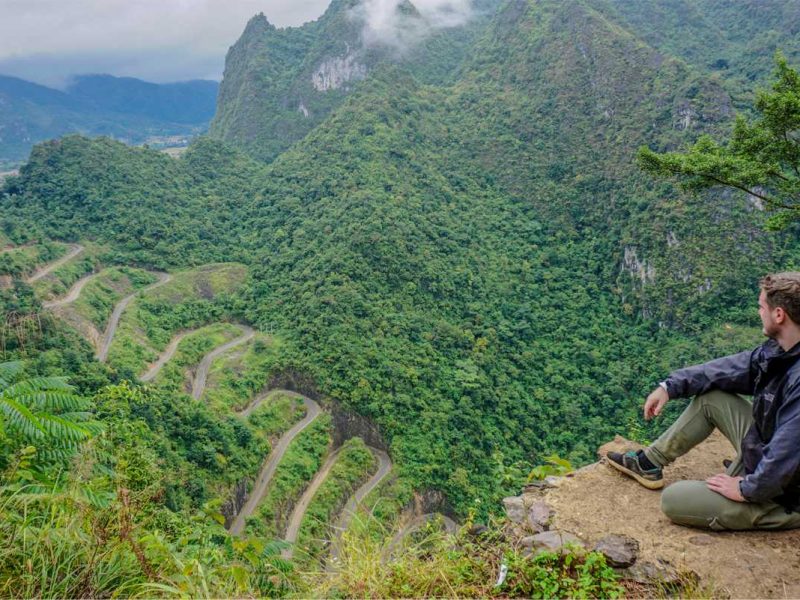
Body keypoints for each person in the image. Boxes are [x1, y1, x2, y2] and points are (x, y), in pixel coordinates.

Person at [607, 272, 800, 530]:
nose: (758, 313)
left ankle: (778, 514)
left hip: (787, 493)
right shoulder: (779, 350)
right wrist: (669, 386)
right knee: (713, 397)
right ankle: (648, 462)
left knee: (674, 500)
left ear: (779, 315)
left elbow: (789, 451)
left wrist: (745, 488)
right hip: (769, 451)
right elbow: (727, 370)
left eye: (761, 307)